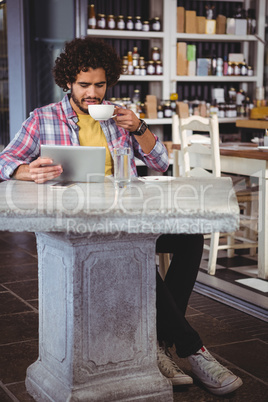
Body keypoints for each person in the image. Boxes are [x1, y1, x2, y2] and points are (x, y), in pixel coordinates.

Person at [0, 37, 242, 396]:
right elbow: (5, 161)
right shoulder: (43, 119)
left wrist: (140, 128)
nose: (93, 93)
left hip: (125, 214)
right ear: (69, 82)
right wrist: (25, 171)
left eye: (100, 84)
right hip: (79, 225)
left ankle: (158, 344)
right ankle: (192, 348)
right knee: (135, 250)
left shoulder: (119, 117)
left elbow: (161, 163)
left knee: (190, 238)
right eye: (84, 85)